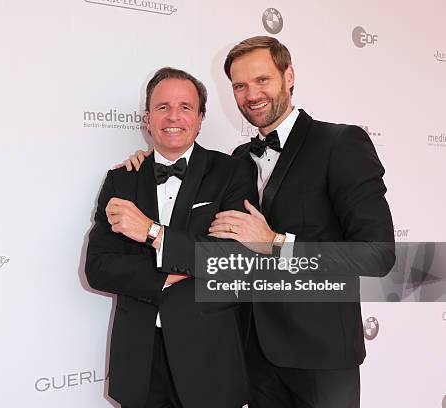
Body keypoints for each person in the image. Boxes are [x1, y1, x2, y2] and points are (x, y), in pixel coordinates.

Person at [122, 37, 396, 408]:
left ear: (289, 76)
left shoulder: (340, 143)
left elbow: (377, 255)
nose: (251, 94)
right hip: (253, 351)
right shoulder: (237, 159)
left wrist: (275, 242)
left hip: (321, 356)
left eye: (262, 80)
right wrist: (148, 160)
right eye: (240, 85)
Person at [85, 67, 258, 408]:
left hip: (209, 356)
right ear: (147, 119)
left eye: (185, 107)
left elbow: (232, 260)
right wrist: (168, 276)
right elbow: (98, 267)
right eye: (162, 107)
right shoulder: (120, 179)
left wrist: (152, 233)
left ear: (200, 119)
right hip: (139, 357)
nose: (173, 116)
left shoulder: (232, 173)